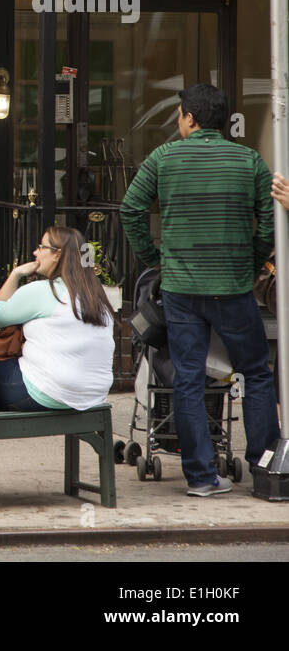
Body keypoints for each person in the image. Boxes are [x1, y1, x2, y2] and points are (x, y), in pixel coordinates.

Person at [120, 83, 279, 496]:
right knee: (257, 374)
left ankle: (202, 477)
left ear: (190, 118)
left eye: (179, 115)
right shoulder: (250, 162)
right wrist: (252, 260)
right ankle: (265, 469)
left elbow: (130, 209)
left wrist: (154, 259)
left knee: (187, 377)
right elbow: (268, 222)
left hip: (181, 288)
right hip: (233, 285)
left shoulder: (164, 158)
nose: (178, 122)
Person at [0, 225, 115, 497]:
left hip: (47, 393)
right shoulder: (97, 295)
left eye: (41, 247)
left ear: (57, 255)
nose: (35, 253)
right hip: (92, 395)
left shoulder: (43, 290)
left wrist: (16, 274)